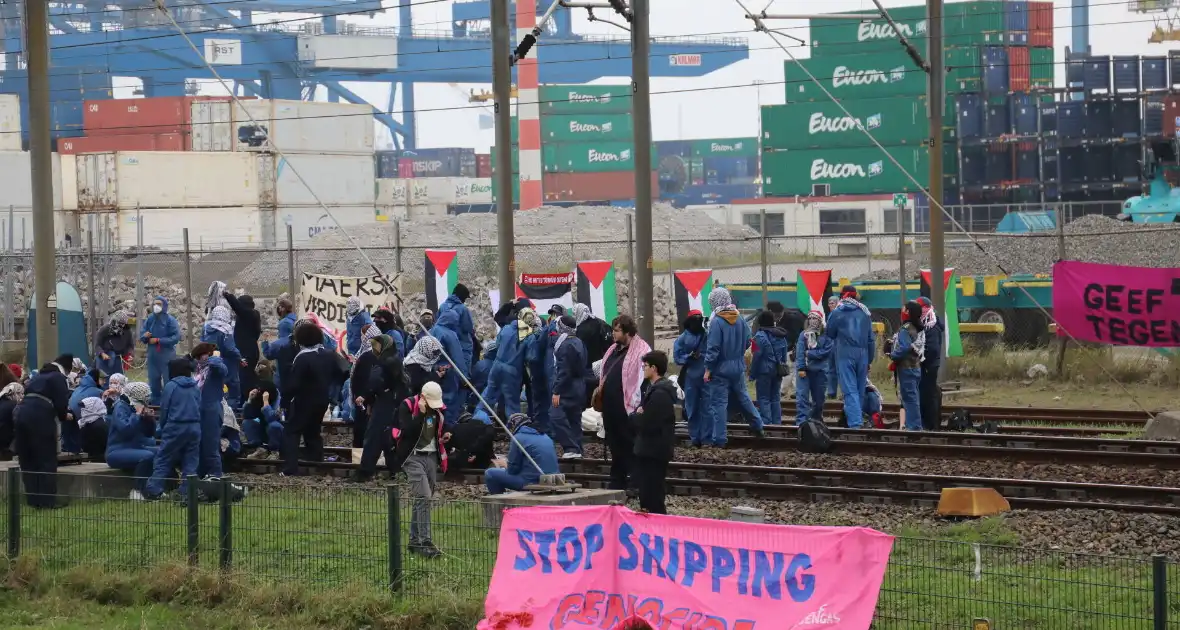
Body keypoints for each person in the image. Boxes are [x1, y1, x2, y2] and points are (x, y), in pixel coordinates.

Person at [391, 381, 451, 559]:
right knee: (423, 495)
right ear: (423, 398)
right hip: (412, 456)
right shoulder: (407, 406)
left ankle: (414, 540)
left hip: (431, 456)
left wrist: (447, 434)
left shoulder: (438, 410)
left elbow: (442, 426)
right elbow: (407, 431)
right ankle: (425, 541)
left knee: (423, 498)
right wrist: (421, 415)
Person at [281, 322, 346, 476]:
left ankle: (290, 468)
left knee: (292, 431)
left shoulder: (302, 358)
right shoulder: (329, 354)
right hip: (323, 400)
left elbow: (294, 384)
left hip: (304, 401)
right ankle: (317, 463)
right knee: (313, 431)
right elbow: (343, 371)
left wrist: (284, 401)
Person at [597, 315, 651, 491]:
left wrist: (636, 406)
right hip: (610, 408)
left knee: (630, 445)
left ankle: (635, 483)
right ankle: (617, 480)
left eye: (617, 330)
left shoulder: (641, 350)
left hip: (627, 408)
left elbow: (642, 380)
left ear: (627, 332)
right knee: (615, 446)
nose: (613, 333)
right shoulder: (613, 349)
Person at [703, 288, 763, 446]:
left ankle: (719, 440)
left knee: (719, 404)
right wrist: (737, 354)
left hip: (720, 369)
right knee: (743, 397)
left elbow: (713, 349)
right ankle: (758, 424)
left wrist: (708, 368)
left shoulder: (716, 321)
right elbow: (748, 341)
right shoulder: (740, 318)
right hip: (737, 366)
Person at [13, 357, 72, 508]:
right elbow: (61, 402)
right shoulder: (58, 377)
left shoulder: (38, 377)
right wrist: (64, 415)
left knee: (28, 459)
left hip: (21, 414)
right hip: (40, 417)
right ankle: (47, 501)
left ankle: (33, 500)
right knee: (46, 459)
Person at [354, 333, 410, 481]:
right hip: (395, 404)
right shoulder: (395, 360)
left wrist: (366, 396)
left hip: (384, 404)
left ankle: (365, 472)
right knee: (389, 438)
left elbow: (375, 382)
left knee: (374, 437)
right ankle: (396, 470)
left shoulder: (384, 363)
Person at [145, 359, 202, 502]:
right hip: (194, 426)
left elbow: (165, 409)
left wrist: (162, 427)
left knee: (163, 458)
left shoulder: (171, 386)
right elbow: (199, 406)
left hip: (176, 425)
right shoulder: (195, 386)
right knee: (190, 461)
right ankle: (187, 492)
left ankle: (154, 490)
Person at [631, 351, 677, 514]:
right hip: (652, 450)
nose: (643, 369)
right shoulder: (656, 390)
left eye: (645, 366)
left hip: (652, 451)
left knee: (651, 494)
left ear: (654, 368)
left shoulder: (659, 394)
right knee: (650, 492)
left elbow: (647, 423)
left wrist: (636, 416)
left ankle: (657, 526)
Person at [826, 286, 875, 429]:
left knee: (849, 390)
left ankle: (855, 424)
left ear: (842, 296)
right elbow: (870, 339)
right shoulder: (865, 312)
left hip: (845, 354)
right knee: (859, 390)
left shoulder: (837, 313)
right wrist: (869, 360)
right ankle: (856, 418)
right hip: (863, 354)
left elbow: (830, 333)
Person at [483, 308, 542, 418]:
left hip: (496, 366)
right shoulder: (530, 336)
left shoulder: (506, 328)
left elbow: (498, 344)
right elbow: (531, 358)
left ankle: (478, 420)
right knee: (512, 404)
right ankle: (514, 430)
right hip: (512, 370)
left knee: (487, 396)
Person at [105, 381, 157, 500]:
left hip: (135, 447)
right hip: (116, 451)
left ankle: (156, 487)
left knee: (160, 452)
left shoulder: (134, 407)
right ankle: (138, 491)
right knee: (147, 456)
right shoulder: (120, 407)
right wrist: (137, 415)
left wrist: (149, 420)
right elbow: (125, 430)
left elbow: (150, 434)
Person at [484, 412, 559, 494]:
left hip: (531, 481)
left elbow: (512, 470)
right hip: (553, 479)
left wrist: (504, 463)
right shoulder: (545, 436)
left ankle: (500, 503)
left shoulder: (518, 438)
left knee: (490, 473)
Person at [550, 315, 587, 458]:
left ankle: (571, 448)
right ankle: (578, 448)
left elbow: (564, 370)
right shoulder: (578, 342)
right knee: (574, 418)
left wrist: (557, 390)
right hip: (579, 386)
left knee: (555, 415)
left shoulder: (565, 345)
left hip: (568, 387)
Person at [191, 342, 229, 478]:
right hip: (199, 410)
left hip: (212, 411)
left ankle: (216, 477)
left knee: (211, 448)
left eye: (199, 357)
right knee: (200, 447)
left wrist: (214, 357)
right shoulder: (199, 370)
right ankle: (200, 479)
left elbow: (224, 370)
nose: (197, 361)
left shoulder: (215, 369)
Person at [673, 310, 709, 446]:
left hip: (695, 376)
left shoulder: (703, 335)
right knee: (700, 408)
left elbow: (677, 357)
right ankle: (702, 438)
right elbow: (677, 358)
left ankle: (698, 438)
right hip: (700, 376)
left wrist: (687, 358)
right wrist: (689, 357)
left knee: (694, 408)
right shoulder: (704, 335)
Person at [890, 300, 926, 432]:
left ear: (908, 312)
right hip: (916, 367)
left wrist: (893, 355)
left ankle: (914, 427)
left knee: (909, 399)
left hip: (906, 368)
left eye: (904, 309)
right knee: (914, 397)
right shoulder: (917, 328)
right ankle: (915, 426)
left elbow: (904, 347)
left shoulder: (906, 329)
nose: (902, 312)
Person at [749, 311, 789, 426]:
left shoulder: (759, 336)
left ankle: (766, 422)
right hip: (777, 371)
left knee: (763, 397)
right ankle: (777, 423)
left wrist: (752, 374)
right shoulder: (781, 335)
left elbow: (756, 357)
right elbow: (784, 354)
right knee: (775, 398)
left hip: (764, 371)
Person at [795, 311, 835, 426]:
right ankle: (802, 423)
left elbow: (826, 352)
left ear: (820, 321)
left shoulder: (826, 336)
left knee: (819, 399)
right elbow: (800, 352)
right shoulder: (804, 335)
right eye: (810, 318)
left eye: (815, 318)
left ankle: (816, 420)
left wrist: (810, 354)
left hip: (820, 371)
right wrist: (801, 368)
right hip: (805, 372)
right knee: (802, 398)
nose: (812, 321)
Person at [140, 296, 181, 406]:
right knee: (153, 382)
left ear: (165, 306)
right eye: (155, 304)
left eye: (159, 304)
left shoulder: (170, 320)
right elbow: (142, 335)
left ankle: (170, 403)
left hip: (167, 356)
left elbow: (176, 337)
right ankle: (155, 405)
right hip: (153, 356)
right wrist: (145, 336)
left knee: (169, 381)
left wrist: (159, 340)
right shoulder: (150, 319)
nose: (156, 306)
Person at [349, 325, 384, 449]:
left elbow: (365, 377)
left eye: (363, 334)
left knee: (362, 430)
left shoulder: (368, 355)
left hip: (364, 401)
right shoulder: (380, 352)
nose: (361, 337)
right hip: (371, 398)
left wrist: (364, 396)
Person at [431, 309, 467, 427]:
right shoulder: (450, 334)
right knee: (449, 401)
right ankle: (448, 429)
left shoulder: (431, 331)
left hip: (432, 370)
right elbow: (457, 357)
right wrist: (464, 377)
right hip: (447, 370)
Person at [202, 305, 242, 409]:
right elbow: (230, 348)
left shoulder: (207, 328)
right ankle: (230, 410)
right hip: (227, 362)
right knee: (232, 386)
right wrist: (239, 356)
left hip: (209, 361)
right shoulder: (225, 330)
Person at [224, 292, 262, 401]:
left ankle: (247, 401)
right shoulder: (251, 315)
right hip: (249, 350)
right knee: (247, 376)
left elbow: (238, 308)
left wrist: (227, 295)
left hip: (247, 352)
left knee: (244, 377)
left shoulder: (250, 314)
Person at [916, 296, 944, 431]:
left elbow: (932, 348)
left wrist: (923, 360)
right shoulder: (929, 321)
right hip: (930, 364)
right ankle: (929, 423)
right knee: (928, 392)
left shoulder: (931, 324)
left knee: (928, 393)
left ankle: (931, 425)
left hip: (929, 365)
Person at [66, 368, 105, 454]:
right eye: (102, 379)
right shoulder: (98, 392)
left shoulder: (77, 389)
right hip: (83, 424)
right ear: (95, 379)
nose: (105, 382)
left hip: (71, 424)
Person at [440, 283, 476, 375]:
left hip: (445, 346)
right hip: (463, 346)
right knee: (463, 372)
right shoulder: (463, 309)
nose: (465, 300)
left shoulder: (443, 306)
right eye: (465, 297)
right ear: (462, 296)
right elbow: (468, 328)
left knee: (447, 371)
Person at [241, 385, 283, 459]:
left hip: (279, 433)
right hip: (263, 429)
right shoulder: (258, 398)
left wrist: (266, 402)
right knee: (247, 423)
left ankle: (275, 452)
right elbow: (246, 416)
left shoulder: (278, 398)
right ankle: (260, 450)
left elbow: (271, 418)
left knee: (273, 425)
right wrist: (249, 400)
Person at [94, 310, 135, 376]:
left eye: (124, 324)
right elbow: (97, 345)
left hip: (119, 358)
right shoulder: (104, 329)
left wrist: (130, 355)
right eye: (120, 323)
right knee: (103, 380)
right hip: (104, 358)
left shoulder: (127, 331)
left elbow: (130, 345)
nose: (122, 325)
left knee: (118, 380)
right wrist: (102, 353)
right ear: (114, 321)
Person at [573, 303, 612, 370]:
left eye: (574, 314)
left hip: (589, 366)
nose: (573, 316)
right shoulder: (600, 322)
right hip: (604, 361)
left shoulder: (580, 330)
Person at [0, 374, 22, 456]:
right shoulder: (13, 405)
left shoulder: (2, 402)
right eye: (20, 393)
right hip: (5, 443)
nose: (22, 396)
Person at [825, 295, 840, 401]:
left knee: (841, 369)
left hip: (839, 345)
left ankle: (843, 392)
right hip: (831, 345)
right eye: (829, 303)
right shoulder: (830, 315)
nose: (831, 305)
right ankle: (831, 392)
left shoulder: (839, 315)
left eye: (833, 303)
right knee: (831, 369)